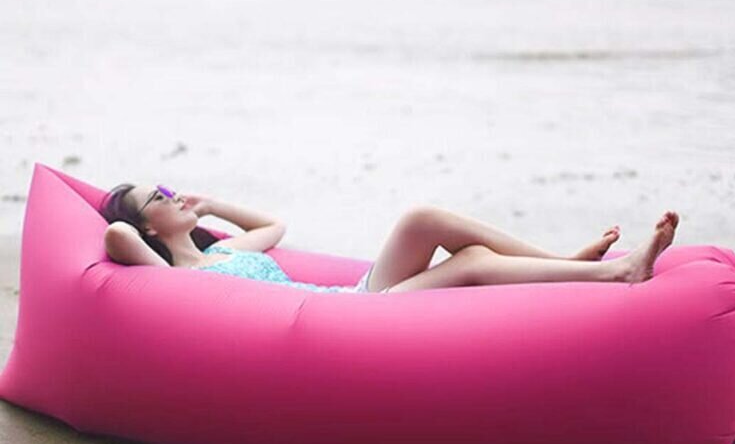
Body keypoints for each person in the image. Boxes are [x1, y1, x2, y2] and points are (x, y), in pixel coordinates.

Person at [99, 182, 679, 294]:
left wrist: (208, 205)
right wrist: (128, 211)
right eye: (160, 197)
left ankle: (567, 261)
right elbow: (117, 234)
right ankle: (614, 272)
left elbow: (274, 227)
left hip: (349, 301)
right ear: (148, 227)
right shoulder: (173, 276)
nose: (172, 194)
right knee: (462, 259)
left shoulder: (223, 251)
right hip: (339, 325)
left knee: (436, 228)